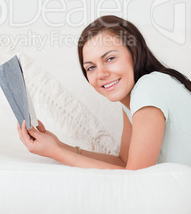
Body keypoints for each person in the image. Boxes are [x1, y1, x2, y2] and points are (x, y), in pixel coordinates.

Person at [17, 15, 191, 170]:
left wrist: (56, 152)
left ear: (134, 53)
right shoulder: (132, 100)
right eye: (91, 67)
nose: (101, 74)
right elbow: (124, 161)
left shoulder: (149, 87)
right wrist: (60, 146)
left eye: (110, 59)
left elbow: (137, 176)